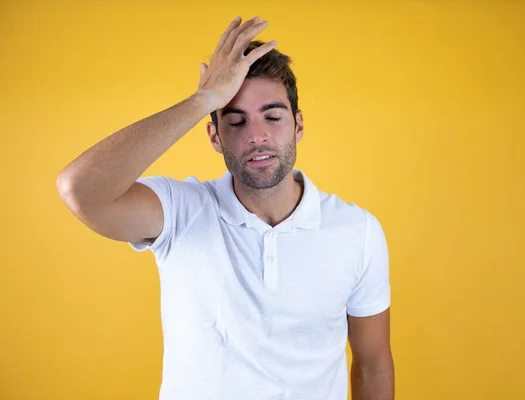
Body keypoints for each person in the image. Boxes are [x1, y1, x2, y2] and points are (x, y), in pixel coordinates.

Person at [57, 16, 394, 400]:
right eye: (235, 121)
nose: (257, 136)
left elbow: (372, 365)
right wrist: (205, 99)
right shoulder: (180, 212)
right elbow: (80, 190)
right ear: (214, 135)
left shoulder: (357, 230)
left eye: (273, 116)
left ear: (298, 125)